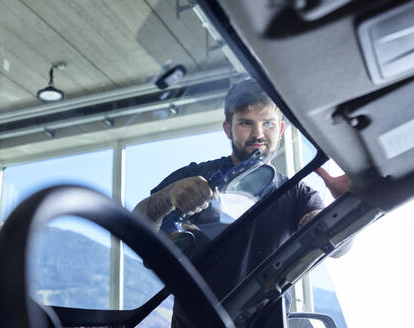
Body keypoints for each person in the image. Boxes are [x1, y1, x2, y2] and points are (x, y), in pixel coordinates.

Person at [133, 79, 349, 326]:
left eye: (267, 123)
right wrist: (169, 195)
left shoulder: (298, 193)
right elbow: (138, 231)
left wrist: (346, 204)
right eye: (246, 123)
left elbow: (339, 248)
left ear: (280, 129)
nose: (258, 134)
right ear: (228, 129)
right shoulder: (193, 177)